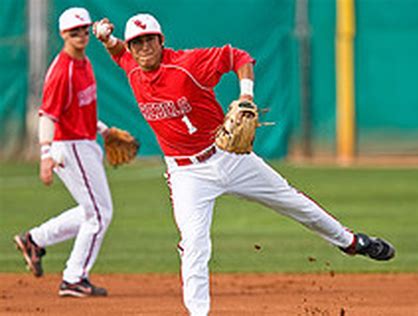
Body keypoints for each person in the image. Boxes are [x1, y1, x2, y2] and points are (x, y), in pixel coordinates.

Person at [93, 13, 395, 315]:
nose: (144, 47)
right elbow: (119, 53)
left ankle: (351, 242)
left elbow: (238, 57)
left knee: (294, 202)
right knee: (194, 245)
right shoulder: (131, 65)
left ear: (162, 41)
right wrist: (107, 38)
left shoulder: (187, 65)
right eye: (137, 42)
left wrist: (246, 96)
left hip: (229, 156)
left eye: (149, 40)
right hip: (187, 174)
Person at [14, 7, 113, 298]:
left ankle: (35, 239)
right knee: (99, 214)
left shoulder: (84, 62)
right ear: (62, 34)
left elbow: (78, 110)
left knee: (90, 210)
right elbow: (48, 116)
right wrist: (45, 155)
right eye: (74, 32)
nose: (80, 35)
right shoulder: (62, 71)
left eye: (84, 30)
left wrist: (103, 130)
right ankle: (73, 277)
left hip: (84, 141)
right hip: (70, 146)